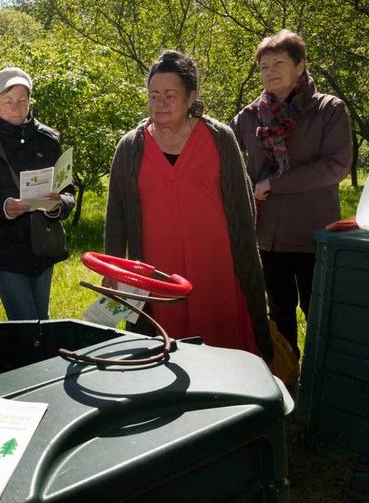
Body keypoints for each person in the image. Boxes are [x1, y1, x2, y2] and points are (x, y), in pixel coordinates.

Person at [105, 50, 273, 360]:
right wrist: (114, 270)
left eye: (170, 94)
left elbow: (242, 208)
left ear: (190, 96)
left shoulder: (220, 138)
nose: (161, 103)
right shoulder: (130, 146)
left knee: (223, 350)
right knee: (165, 352)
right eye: (154, 95)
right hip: (158, 274)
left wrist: (248, 267)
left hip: (217, 268)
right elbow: (116, 218)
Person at [230, 30, 351, 358]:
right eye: (263, 66)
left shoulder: (328, 110)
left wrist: (275, 183)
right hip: (268, 237)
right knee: (279, 316)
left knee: (321, 316)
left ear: (300, 66)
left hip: (316, 237)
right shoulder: (250, 116)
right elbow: (222, 154)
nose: (269, 72)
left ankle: (322, 387)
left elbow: (337, 166)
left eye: (278, 63)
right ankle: (287, 381)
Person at [0, 67, 74, 320]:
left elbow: (68, 192)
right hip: (4, 250)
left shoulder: (48, 140)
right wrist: (4, 208)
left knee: (41, 318)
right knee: (24, 320)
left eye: (23, 100)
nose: (17, 107)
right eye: (8, 101)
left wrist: (57, 206)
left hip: (43, 246)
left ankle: (39, 358)